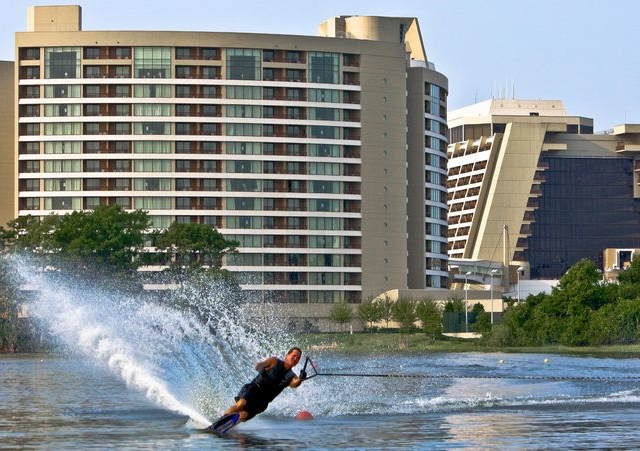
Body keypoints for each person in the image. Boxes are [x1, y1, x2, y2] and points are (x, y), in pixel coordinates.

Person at [224, 347, 307, 423]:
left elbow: (295, 384)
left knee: (244, 414)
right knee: (241, 403)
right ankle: (223, 418)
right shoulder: (274, 361)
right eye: (294, 355)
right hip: (254, 389)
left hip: (262, 402)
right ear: (287, 355)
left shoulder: (292, 376)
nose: (295, 359)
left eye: (298, 358)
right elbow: (258, 365)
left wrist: (301, 379)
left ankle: (227, 426)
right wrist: (260, 369)